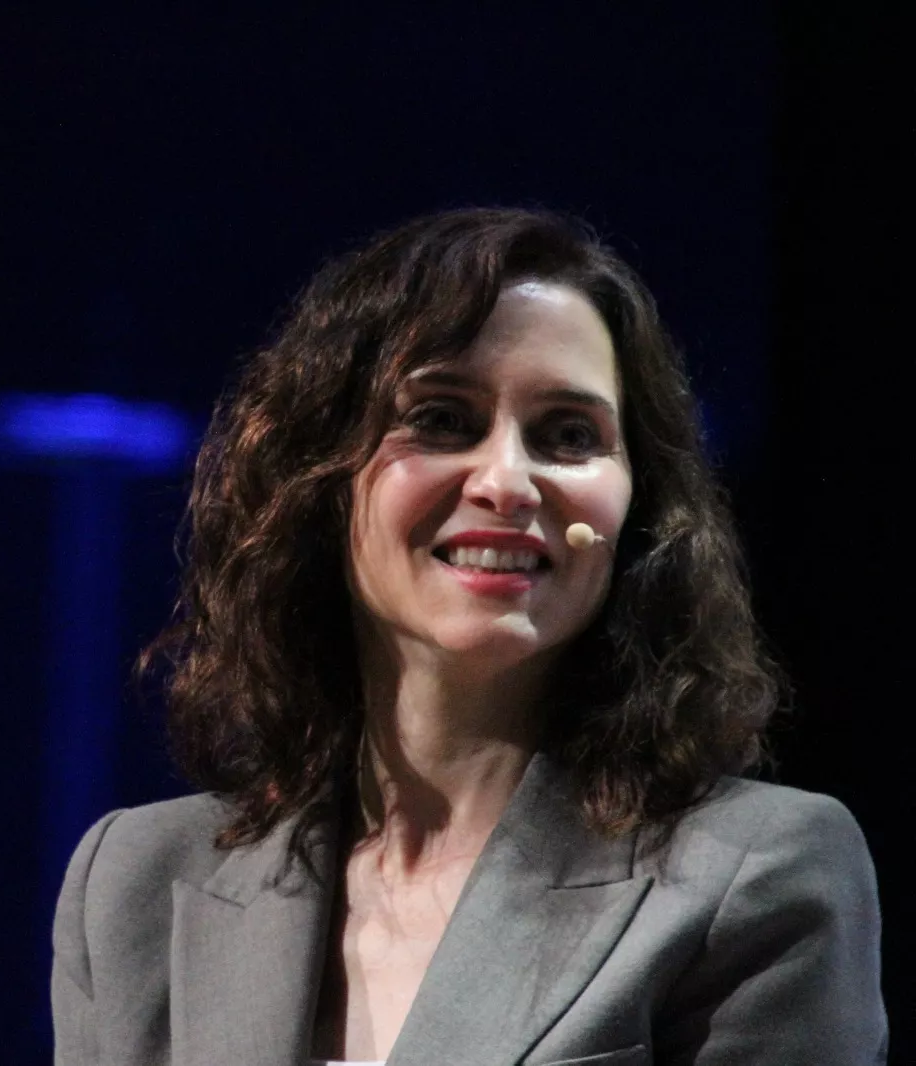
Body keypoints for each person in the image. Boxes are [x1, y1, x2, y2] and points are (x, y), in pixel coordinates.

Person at [50, 207, 887, 1065]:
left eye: (569, 436)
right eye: (443, 419)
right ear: (317, 482)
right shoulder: (134, 885)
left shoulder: (757, 872)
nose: (507, 481)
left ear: (638, 508)